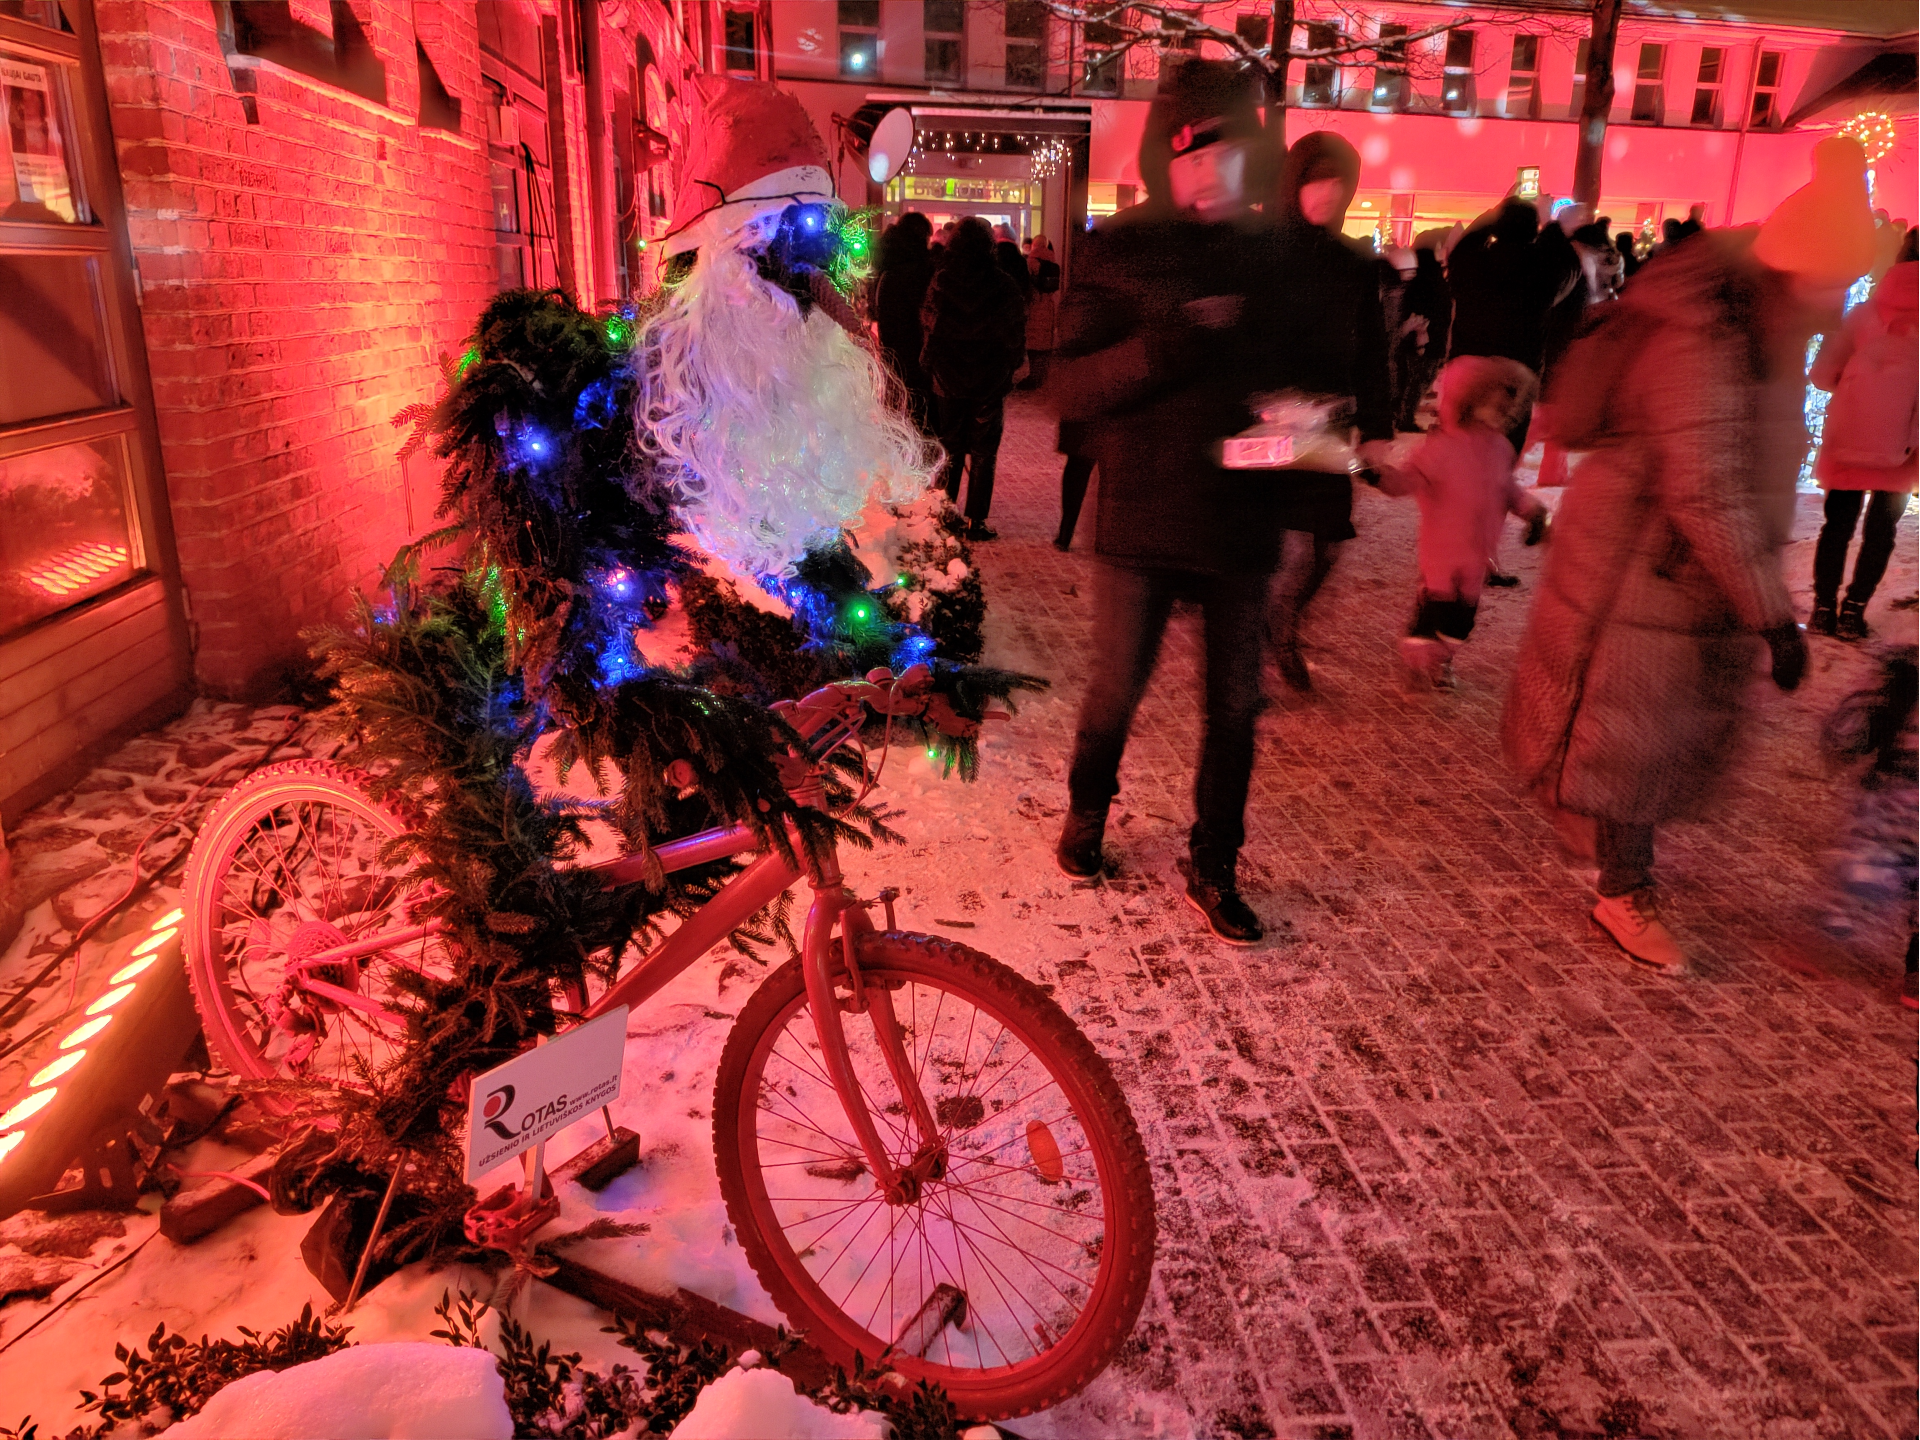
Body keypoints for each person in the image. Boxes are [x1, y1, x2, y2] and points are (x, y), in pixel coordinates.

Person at [1503, 137, 1877, 973]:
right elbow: (1703, 484)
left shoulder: (1765, 324)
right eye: (1836, 280)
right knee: (1631, 733)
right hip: (1643, 562)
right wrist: (1772, 616)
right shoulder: (1705, 333)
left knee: (1645, 734)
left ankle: (1598, 836)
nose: (1840, 299)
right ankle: (1623, 889)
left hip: (1686, 564)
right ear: (1799, 266)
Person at [1050, 58, 1287, 944]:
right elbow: (1070, 388)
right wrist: (1166, 346)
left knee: (1236, 710)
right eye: (1198, 154)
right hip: (1143, 515)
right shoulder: (1121, 249)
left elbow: (1303, 394)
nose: (1216, 172)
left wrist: (1279, 446)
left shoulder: (1271, 257)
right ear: (1168, 155)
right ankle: (1086, 814)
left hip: (1241, 522)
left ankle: (1215, 862)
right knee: (1117, 687)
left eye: (1233, 154)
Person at [1258, 130, 1394, 693]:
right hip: (1265, 419)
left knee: (1326, 541)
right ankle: (1248, 649)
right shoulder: (1260, 252)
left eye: (1341, 183)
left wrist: (1378, 427)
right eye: (1319, 181)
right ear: (1294, 183)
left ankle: (1282, 622)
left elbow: (1372, 350)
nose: (1330, 193)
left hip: (1327, 421)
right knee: (1259, 538)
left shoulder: (1354, 263)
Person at [1377, 355, 1549, 689]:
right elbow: (1408, 480)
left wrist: (1532, 511)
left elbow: (1508, 488)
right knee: (1435, 607)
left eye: (1509, 404)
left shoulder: (1500, 448)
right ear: (1469, 399)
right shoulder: (1440, 449)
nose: (1505, 409)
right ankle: (1418, 662)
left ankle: (1443, 657)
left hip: (1478, 553)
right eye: (1496, 401)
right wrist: (1382, 477)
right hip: (1442, 551)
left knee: (1463, 618)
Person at [1807, 228, 1918, 641]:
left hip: (1850, 437)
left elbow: (1822, 375)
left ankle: (1823, 609)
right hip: (1904, 446)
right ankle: (1853, 611)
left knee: (1837, 525)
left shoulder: (1864, 314)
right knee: (1881, 531)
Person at [1818, 644, 1919, 1010]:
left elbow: (1852, 730)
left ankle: (1825, 934)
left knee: (1862, 866)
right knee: (1865, 867)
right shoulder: (1907, 668)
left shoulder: (1906, 668)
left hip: (1893, 797)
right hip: (1897, 796)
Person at [920, 215, 1027, 540]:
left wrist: (930, 361)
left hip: (948, 375)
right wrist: (1010, 364)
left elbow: (930, 324)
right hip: (990, 375)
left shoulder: (942, 280)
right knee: (983, 451)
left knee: (950, 447)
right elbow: (1014, 330)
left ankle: (946, 515)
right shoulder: (1003, 284)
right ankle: (976, 521)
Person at [872, 212, 937, 433]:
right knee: (920, 410)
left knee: (899, 406)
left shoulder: (887, 270)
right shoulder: (920, 271)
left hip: (893, 348)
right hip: (917, 348)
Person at [1393, 241, 1451, 432]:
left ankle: (1402, 415)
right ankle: (1405, 418)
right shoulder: (1437, 282)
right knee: (1419, 379)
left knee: (1412, 379)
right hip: (1431, 338)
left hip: (1416, 337)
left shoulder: (1416, 284)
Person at [1020, 235, 1061, 389]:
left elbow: (1026, 286)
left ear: (1033, 245)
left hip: (1035, 306)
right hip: (1049, 306)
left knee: (1033, 344)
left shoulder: (1030, 262)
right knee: (1045, 343)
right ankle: (1042, 375)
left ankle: (1034, 376)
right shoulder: (1053, 262)